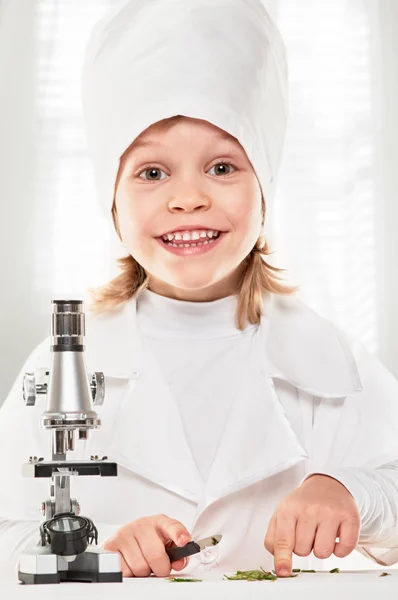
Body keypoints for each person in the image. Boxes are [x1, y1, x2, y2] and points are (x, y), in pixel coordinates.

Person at [1, 0, 398, 581]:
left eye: (222, 167)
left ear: (266, 186)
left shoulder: (335, 364)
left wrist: (349, 494)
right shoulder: (59, 368)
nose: (188, 198)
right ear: (112, 202)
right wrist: (100, 548)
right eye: (152, 173)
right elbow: (5, 529)